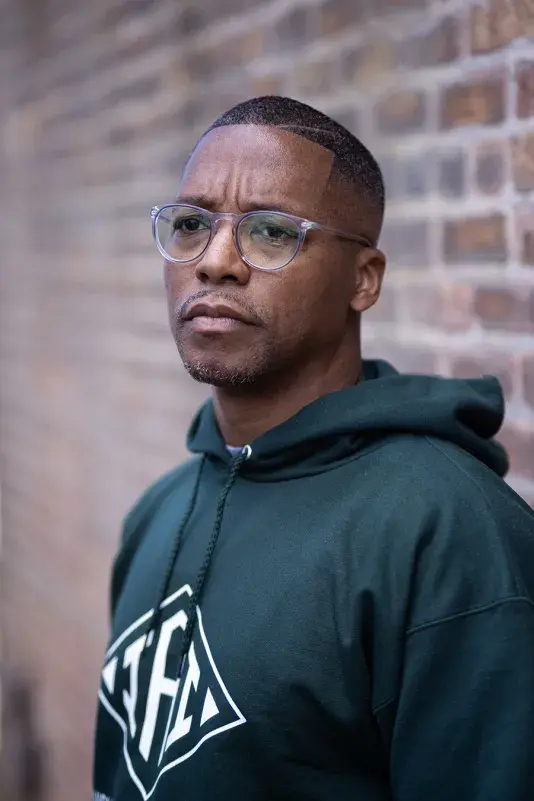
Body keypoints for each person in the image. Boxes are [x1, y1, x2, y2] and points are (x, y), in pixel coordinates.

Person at [93, 96, 534, 801]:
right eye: (191, 223)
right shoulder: (158, 512)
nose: (215, 260)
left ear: (364, 279)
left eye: (270, 232)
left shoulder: (451, 533)